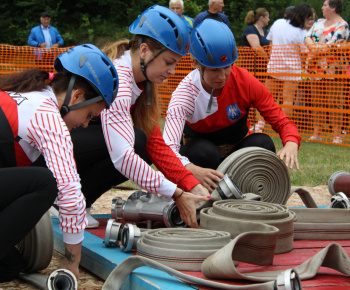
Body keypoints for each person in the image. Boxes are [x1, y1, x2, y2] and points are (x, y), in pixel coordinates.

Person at [67, 5, 210, 230]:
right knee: (135, 141)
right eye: (169, 62)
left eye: (176, 64)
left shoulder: (141, 83)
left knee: (142, 141)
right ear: (144, 51)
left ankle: (75, 198)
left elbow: (157, 146)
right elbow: (122, 157)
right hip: (48, 153)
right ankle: (69, 200)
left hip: (71, 147)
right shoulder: (120, 82)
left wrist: (193, 186)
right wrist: (178, 193)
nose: (172, 71)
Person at [0, 44, 119, 282]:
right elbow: (70, 192)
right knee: (45, 183)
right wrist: (71, 262)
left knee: (10, 266)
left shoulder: (28, 92)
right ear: (76, 97)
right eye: (89, 115)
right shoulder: (48, 117)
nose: (86, 125)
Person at [163, 19, 301, 192]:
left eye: (227, 66)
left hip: (238, 153)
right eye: (214, 69)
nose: (222, 76)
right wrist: (190, 168)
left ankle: (249, 194)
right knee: (203, 152)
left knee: (263, 143)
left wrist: (291, 142)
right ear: (195, 63)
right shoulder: (184, 94)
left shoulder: (246, 81)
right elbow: (168, 149)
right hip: (203, 157)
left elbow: (281, 121)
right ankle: (206, 195)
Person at [252, 3, 313, 133]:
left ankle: (260, 124)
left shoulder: (278, 23)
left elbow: (271, 44)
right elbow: (303, 52)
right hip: (292, 69)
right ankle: (284, 127)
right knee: (288, 99)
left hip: (275, 66)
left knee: (266, 97)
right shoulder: (301, 31)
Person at [305, 0, 349, 144]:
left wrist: (314, 50)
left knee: (333, 102)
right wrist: (314, 48)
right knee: (317, 102)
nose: (322, 7)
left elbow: (332, 47)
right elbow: (307, 37)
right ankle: (317, 133)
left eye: (325, 5)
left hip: (333, 70)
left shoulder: (342, 25)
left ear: (333, 7)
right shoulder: (318, 22)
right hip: (314, 69)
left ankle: (337, 136)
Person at [241, 8, 270, 78]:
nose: (269, 19)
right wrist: (269, 60)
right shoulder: (250, 29)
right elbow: (256, 47)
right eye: (268, 17)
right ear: (262, 18)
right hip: (251, 67)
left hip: (262, 67)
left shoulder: (265, 31)